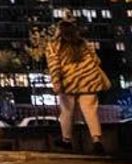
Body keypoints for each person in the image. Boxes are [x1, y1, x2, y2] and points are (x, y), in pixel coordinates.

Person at [45, 19, 109, 155]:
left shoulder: (54, 45)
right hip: (89, 81)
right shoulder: (84, 44)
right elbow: (97, 61)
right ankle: (97, 140)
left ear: (59, 31)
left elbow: (54, 66)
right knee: (91, 111)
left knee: (67, 111)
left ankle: (66, 140)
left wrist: (57, 83)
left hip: (69, 83)